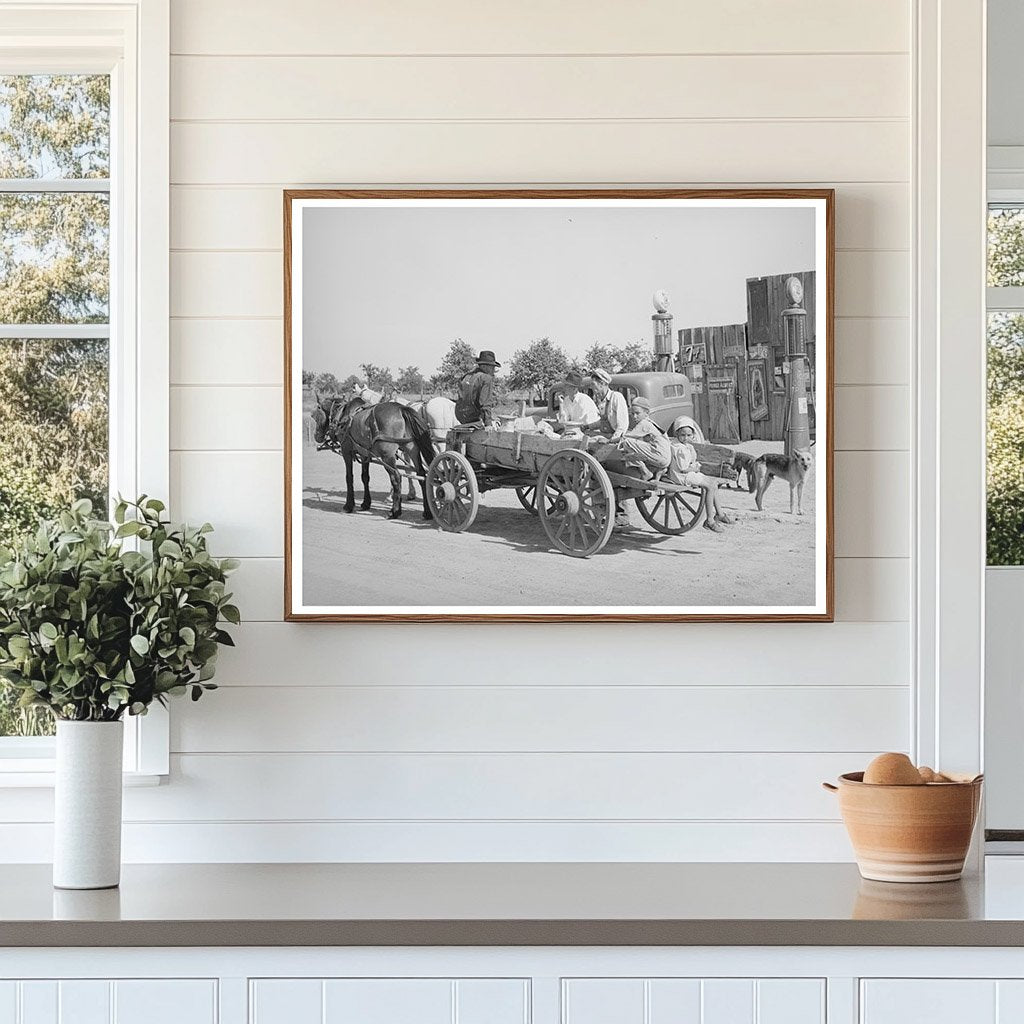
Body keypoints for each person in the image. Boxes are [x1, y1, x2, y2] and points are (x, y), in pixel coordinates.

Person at [666, 416, 736, 533]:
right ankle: (709, 520)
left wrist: (695, 466)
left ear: (693, 435)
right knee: (710, 486)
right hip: (682, 476)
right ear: (677, 434)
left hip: (688, 473)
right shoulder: (679, 448)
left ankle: (719, 514)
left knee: (713, 483)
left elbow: (691, 461)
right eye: (683, 435)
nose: (686, 438)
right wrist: (696, 467)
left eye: (689, 435)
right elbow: (684, 468)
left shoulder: (687, 446)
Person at [608, 396, 671, 480]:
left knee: (627, 443)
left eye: (637, 413)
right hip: (665, 458)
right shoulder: (652, 423)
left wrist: (610, 441)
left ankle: (644, 471)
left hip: (660, 456)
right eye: (632, 413)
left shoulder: (644, 423)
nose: (634, 416)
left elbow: (625, 438)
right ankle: (655, 468)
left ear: (646, 413)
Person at [455, 350, 500, 425]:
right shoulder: (486, 378)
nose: (493, 370)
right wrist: (488, 423)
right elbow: (485, 403)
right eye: (492, 367)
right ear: (485, 366)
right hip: (474, 417)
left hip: (461, 417)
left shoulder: (465, 376)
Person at [586, 367, 628, 440]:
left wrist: (611, 441)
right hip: (606, 436)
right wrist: (587, 426)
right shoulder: (601, 400)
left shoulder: (616, 397)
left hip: (615, 439)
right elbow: (604, 421)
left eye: (593, 384)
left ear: (601, 384)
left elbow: (622, 426)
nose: (591, 387)